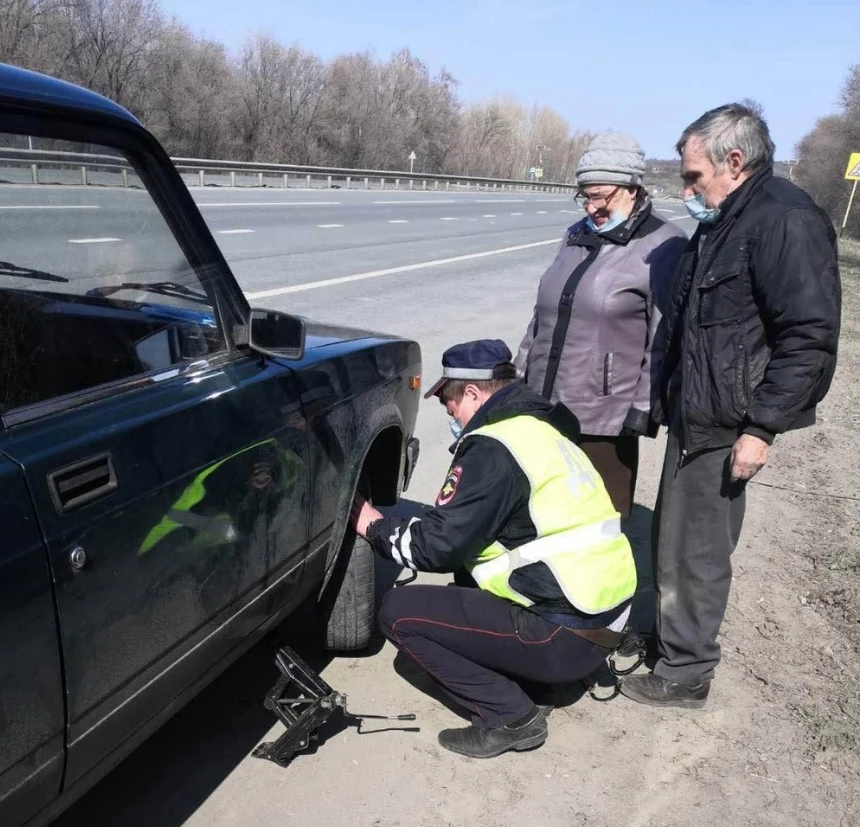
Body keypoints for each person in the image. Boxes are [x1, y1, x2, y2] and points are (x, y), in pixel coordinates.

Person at [619, 103, 842, 708]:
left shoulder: (785, 221)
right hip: (698, 412)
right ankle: (669, 641)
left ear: (734, 162)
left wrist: (763, 426)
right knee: (672, 538)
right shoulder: (726, 217)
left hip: (729, 420)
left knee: (698, 551)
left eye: (693, 176)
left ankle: (685, 672)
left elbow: (809, 336)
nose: (687, 189)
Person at [350, 339, 637, 758]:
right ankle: (541, 678)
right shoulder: (541, 429)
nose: (448, 412)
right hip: (604, 623)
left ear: (471, 392)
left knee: (400, 612)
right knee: (462, 585)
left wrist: (372, 525)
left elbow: (434, 548)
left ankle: (511, 717)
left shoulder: (492, 447)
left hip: (563, 638)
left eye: (449, 399)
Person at [515, 131, 688, 519]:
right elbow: (544, 315)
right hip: (543, 405)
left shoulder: (664, 245)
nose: (591, 207)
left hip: (605, 420)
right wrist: (518, 376)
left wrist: (643, 409)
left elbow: (664, 339)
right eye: (585, 195)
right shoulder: (576, 235)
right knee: (537, 518)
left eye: (600, 196)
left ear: (632, 188)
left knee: (595, 529)